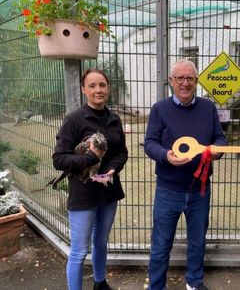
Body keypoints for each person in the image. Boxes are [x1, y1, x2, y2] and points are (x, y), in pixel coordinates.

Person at [144, 59, 227, 290]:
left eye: (190, 78)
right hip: (168, 189)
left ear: (196, 81)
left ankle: (194, 282)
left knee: (197, 241)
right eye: (180, 78)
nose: (185, 83)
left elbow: (219, 138)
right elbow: (150, 143)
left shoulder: (208, 108)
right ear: (171, 81)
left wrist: (216, 151)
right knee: (161, 244)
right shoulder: (160, 109)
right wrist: (166, 155)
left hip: (200, 188)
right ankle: (157, 286)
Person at [52, 69, 128, 290]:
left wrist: (113, 169)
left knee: (101, 243)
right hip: (84, 193)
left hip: (108, 191)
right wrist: (89, 158)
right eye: (92, 86)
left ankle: (100, 283)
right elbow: (59, 159)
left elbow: (121, 152)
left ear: (108, 88)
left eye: (102, 85)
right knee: (79, 251)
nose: (98, 90)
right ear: (84, 89)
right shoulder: (74, 119)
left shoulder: (114, 119)